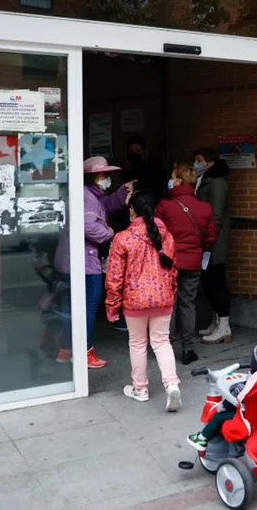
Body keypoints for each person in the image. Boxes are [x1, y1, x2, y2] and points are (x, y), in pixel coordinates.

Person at [53, 156, 132, 369]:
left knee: (72, 308)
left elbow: (105, 205)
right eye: (103, 174)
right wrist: (110, 232)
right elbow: (89, 226)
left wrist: (122, 192)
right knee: (88, 307)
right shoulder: (86, 197)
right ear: (92, 176)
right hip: (83, 262)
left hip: (72, 261)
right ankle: (85, 352)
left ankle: (66, 350)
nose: (107, 178)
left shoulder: (89, 195)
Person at [104, 191, 181, 411]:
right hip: (163, 297)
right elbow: (173, 270)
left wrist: (112, 305)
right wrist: (171, 293)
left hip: (135, 300)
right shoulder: (167, 236)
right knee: (162, 342)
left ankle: (141, 388)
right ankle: (172, 384)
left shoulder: (123, 238)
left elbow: (114, 276)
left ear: (132, 211)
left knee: (137, 343)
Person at [156, 162, 218, 366]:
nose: (170, 181)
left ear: (179, 181)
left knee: (169, 305)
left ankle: (166, 347)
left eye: (173, 177)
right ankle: (188, 349)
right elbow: (210, 237)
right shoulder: (205, 207)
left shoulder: (165, 205)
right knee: (188, 304)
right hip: (192, 261)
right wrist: (196, 250)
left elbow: (156, 233)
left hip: (169, 262)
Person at [186, 341, 257, 452]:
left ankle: (201, 439)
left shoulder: (248, 386)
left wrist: (223, 405)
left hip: (249, 420)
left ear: (256, 364)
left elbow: (233, 400)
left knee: (219, 415)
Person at [193, 147, 233, 344]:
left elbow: (215, 215)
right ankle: (216, 320)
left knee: (216, 281)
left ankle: (224, 326)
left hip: (213, 240)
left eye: (199, 160)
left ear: (209, 163)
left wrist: (208, 239)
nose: (196, 164)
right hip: (207, 239)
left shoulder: (217, 183)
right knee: (208, 281)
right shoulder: (206, 179)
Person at [124, 135, 167, 201]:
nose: (135, 154)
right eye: (132, 151)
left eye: (138, 151)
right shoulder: (127, 170)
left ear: (144, 151)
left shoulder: (155, 169)